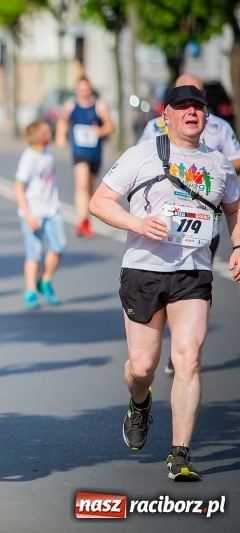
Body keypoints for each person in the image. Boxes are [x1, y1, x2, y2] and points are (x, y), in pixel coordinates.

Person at [89, 85, 240, 481]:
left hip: (193, 273)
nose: (191, 113)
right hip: (143, 270)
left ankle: (180, 454)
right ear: (166, 116)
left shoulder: (219, 164)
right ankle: (139, 402)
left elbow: (234, 207)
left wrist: (238, 244)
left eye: (198, 108)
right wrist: (137, 223)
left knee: (188, 358)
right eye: (182, 107)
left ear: (206, 117)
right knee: (142, 367)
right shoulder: (141, 155)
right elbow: (98, 202)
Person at [136, 73, 240, 375]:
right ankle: (173, 344)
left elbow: (235, 161)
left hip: (203, 229)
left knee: (194, 290)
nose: (190, 108)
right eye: (182, 98)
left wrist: (212, 162)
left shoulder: (219, 127)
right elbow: (139, 162)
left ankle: (185, 349)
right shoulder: (154, 128)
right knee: (142, 363)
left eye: (196, 98)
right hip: (159, 231)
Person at [13, 119, 66, 309]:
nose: (50, 134)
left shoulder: (48, 153)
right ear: (41, 136)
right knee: (33, 253)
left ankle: (45, 280)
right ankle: (30, 291)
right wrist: (28, 215)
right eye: (47, 132)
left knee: (59, 247)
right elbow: (18, 187)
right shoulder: (29, 158)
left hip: (52, 209)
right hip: (33, 212)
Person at [56, 76, 115, 238]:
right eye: (80, 89)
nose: (83, 92)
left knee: (89, 187)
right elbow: (62, 121)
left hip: (95, 153)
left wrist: (101, 131)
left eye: (86, 89)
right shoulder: (71, 105)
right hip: (79, 151)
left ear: (90, 89)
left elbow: (110, 125)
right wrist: (60, 136)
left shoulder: (99, 105)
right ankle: (82, 220)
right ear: (76, 90)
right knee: (81, 184)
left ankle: (86, 219)